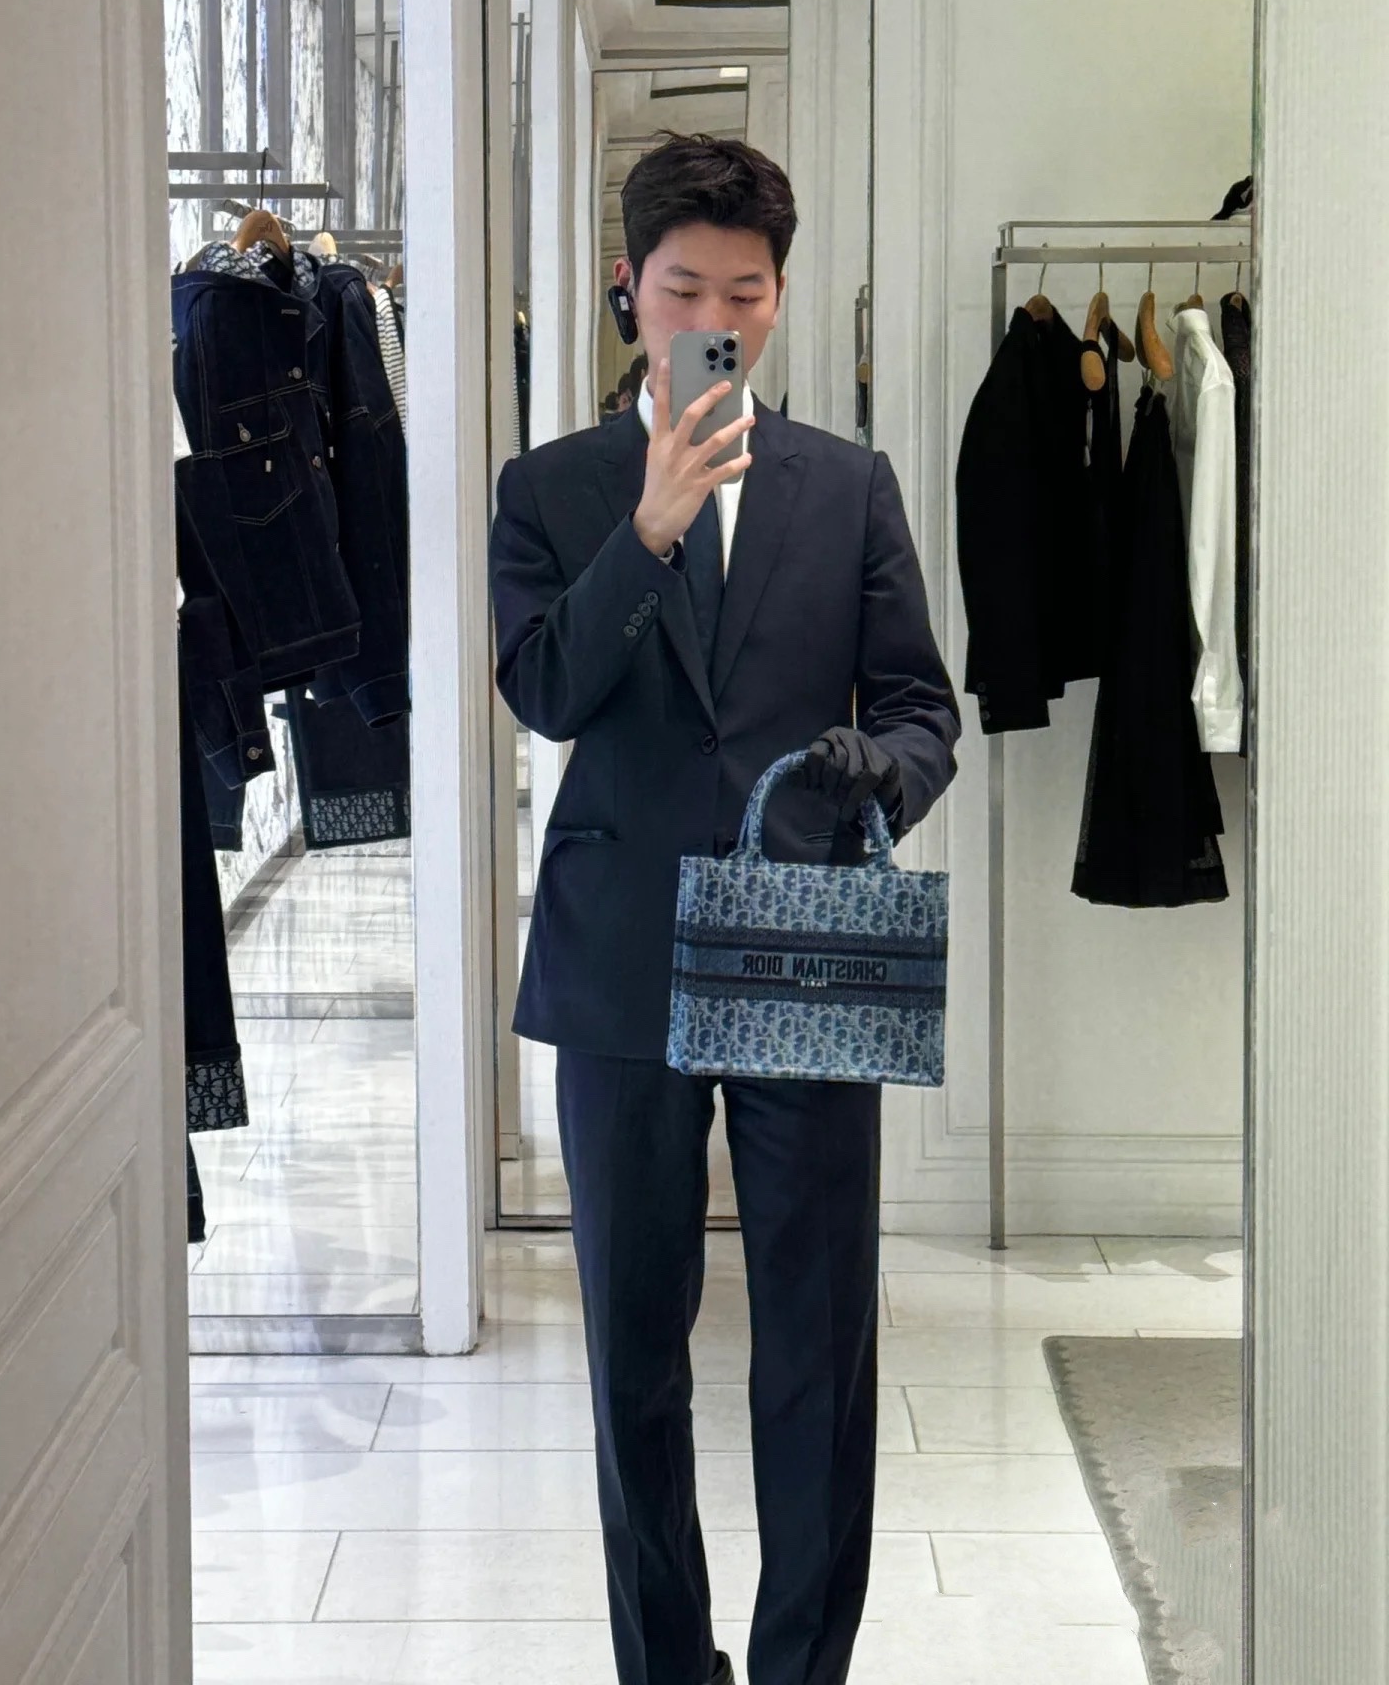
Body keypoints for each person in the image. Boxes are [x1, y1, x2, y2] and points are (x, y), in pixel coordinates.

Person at [489, 133, 960, 1685]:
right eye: (685, 288)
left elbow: (922, 707)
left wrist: (878, 775)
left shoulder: (846, 485)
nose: (716, 318)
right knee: (634, 1356)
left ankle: (802, 1668)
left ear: (779, 296)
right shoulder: (552, 488)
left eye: (746, 293)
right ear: (630, 288)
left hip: (802, 949)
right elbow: (546, 694)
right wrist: (648, 532)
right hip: (619, 963)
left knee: (818, 1350)